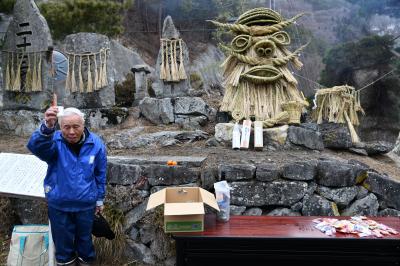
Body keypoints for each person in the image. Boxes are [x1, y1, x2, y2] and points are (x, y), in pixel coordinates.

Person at [27, 106, 107, 266]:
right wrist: (47, 127)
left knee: (85, 245)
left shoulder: (96, 143)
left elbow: (100, 173)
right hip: (59, 205)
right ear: (60, 126)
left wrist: (99, 200)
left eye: (76, 127)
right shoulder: (54, 141)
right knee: (63, 249)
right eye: (66, 127)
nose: (71, 131)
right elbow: (36, 147)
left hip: (85, 205)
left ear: (83, 125)